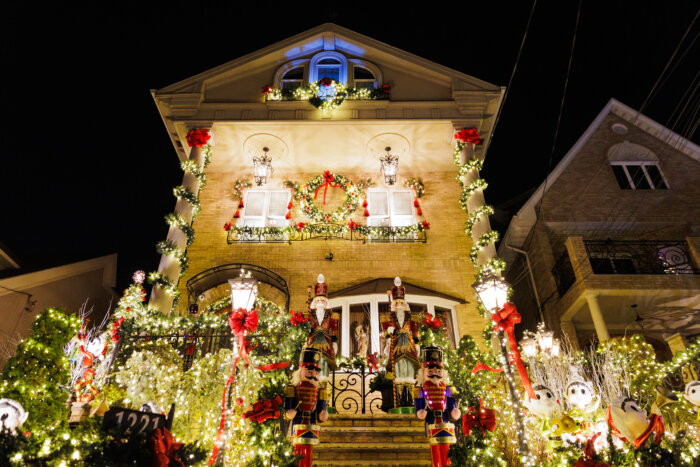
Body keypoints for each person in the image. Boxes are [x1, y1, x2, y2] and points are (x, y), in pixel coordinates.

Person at [414, 346, 460, 467]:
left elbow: (451, 403)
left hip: (444, 420)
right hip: (431, 421)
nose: (435, 374)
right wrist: (420, 412)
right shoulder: (420, 389)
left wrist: (454, 409)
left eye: (438, 371)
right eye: (431, 371)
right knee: (434, 450)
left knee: (446, 449)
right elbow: (418, 407)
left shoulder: (448, 388)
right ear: (423, 373)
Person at [284, 348, 329, 467]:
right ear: (301, 371)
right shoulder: (292, 389)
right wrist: (289, 413)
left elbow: (321, 408)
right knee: (297, 450)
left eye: (316, 373)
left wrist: (322, 415)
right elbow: (288, 407)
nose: (313, 375)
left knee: (309, 451)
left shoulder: (320, 391)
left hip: (311, 422)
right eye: (309, 372)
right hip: (298, 422)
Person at [381, 276, 420, 408]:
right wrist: (388, 333)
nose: (399, 305)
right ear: (393, 304)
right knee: (398, 369)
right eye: (396, 303)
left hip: (408, 344)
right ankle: (400, 399)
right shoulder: (388, 318)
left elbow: (415, 333)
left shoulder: (412, 318)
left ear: (405, 304)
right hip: (396, 344)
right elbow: (386, 334)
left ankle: (409, 398)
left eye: (401, 303)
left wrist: (417, 343)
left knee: (409, 368)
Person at [304, 274, 339, 381]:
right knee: (312, 358)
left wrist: (334, 337)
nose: (320, 302)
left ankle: (323, 377)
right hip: (313, 338)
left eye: (323, 301)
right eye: (318, 300)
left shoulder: (331, 315)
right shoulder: (310, 315)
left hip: (326, 339)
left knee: (324, 360)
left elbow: (334, 327)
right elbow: (307, 325)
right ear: (315, 302)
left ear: (326, 303)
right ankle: (311, 377)